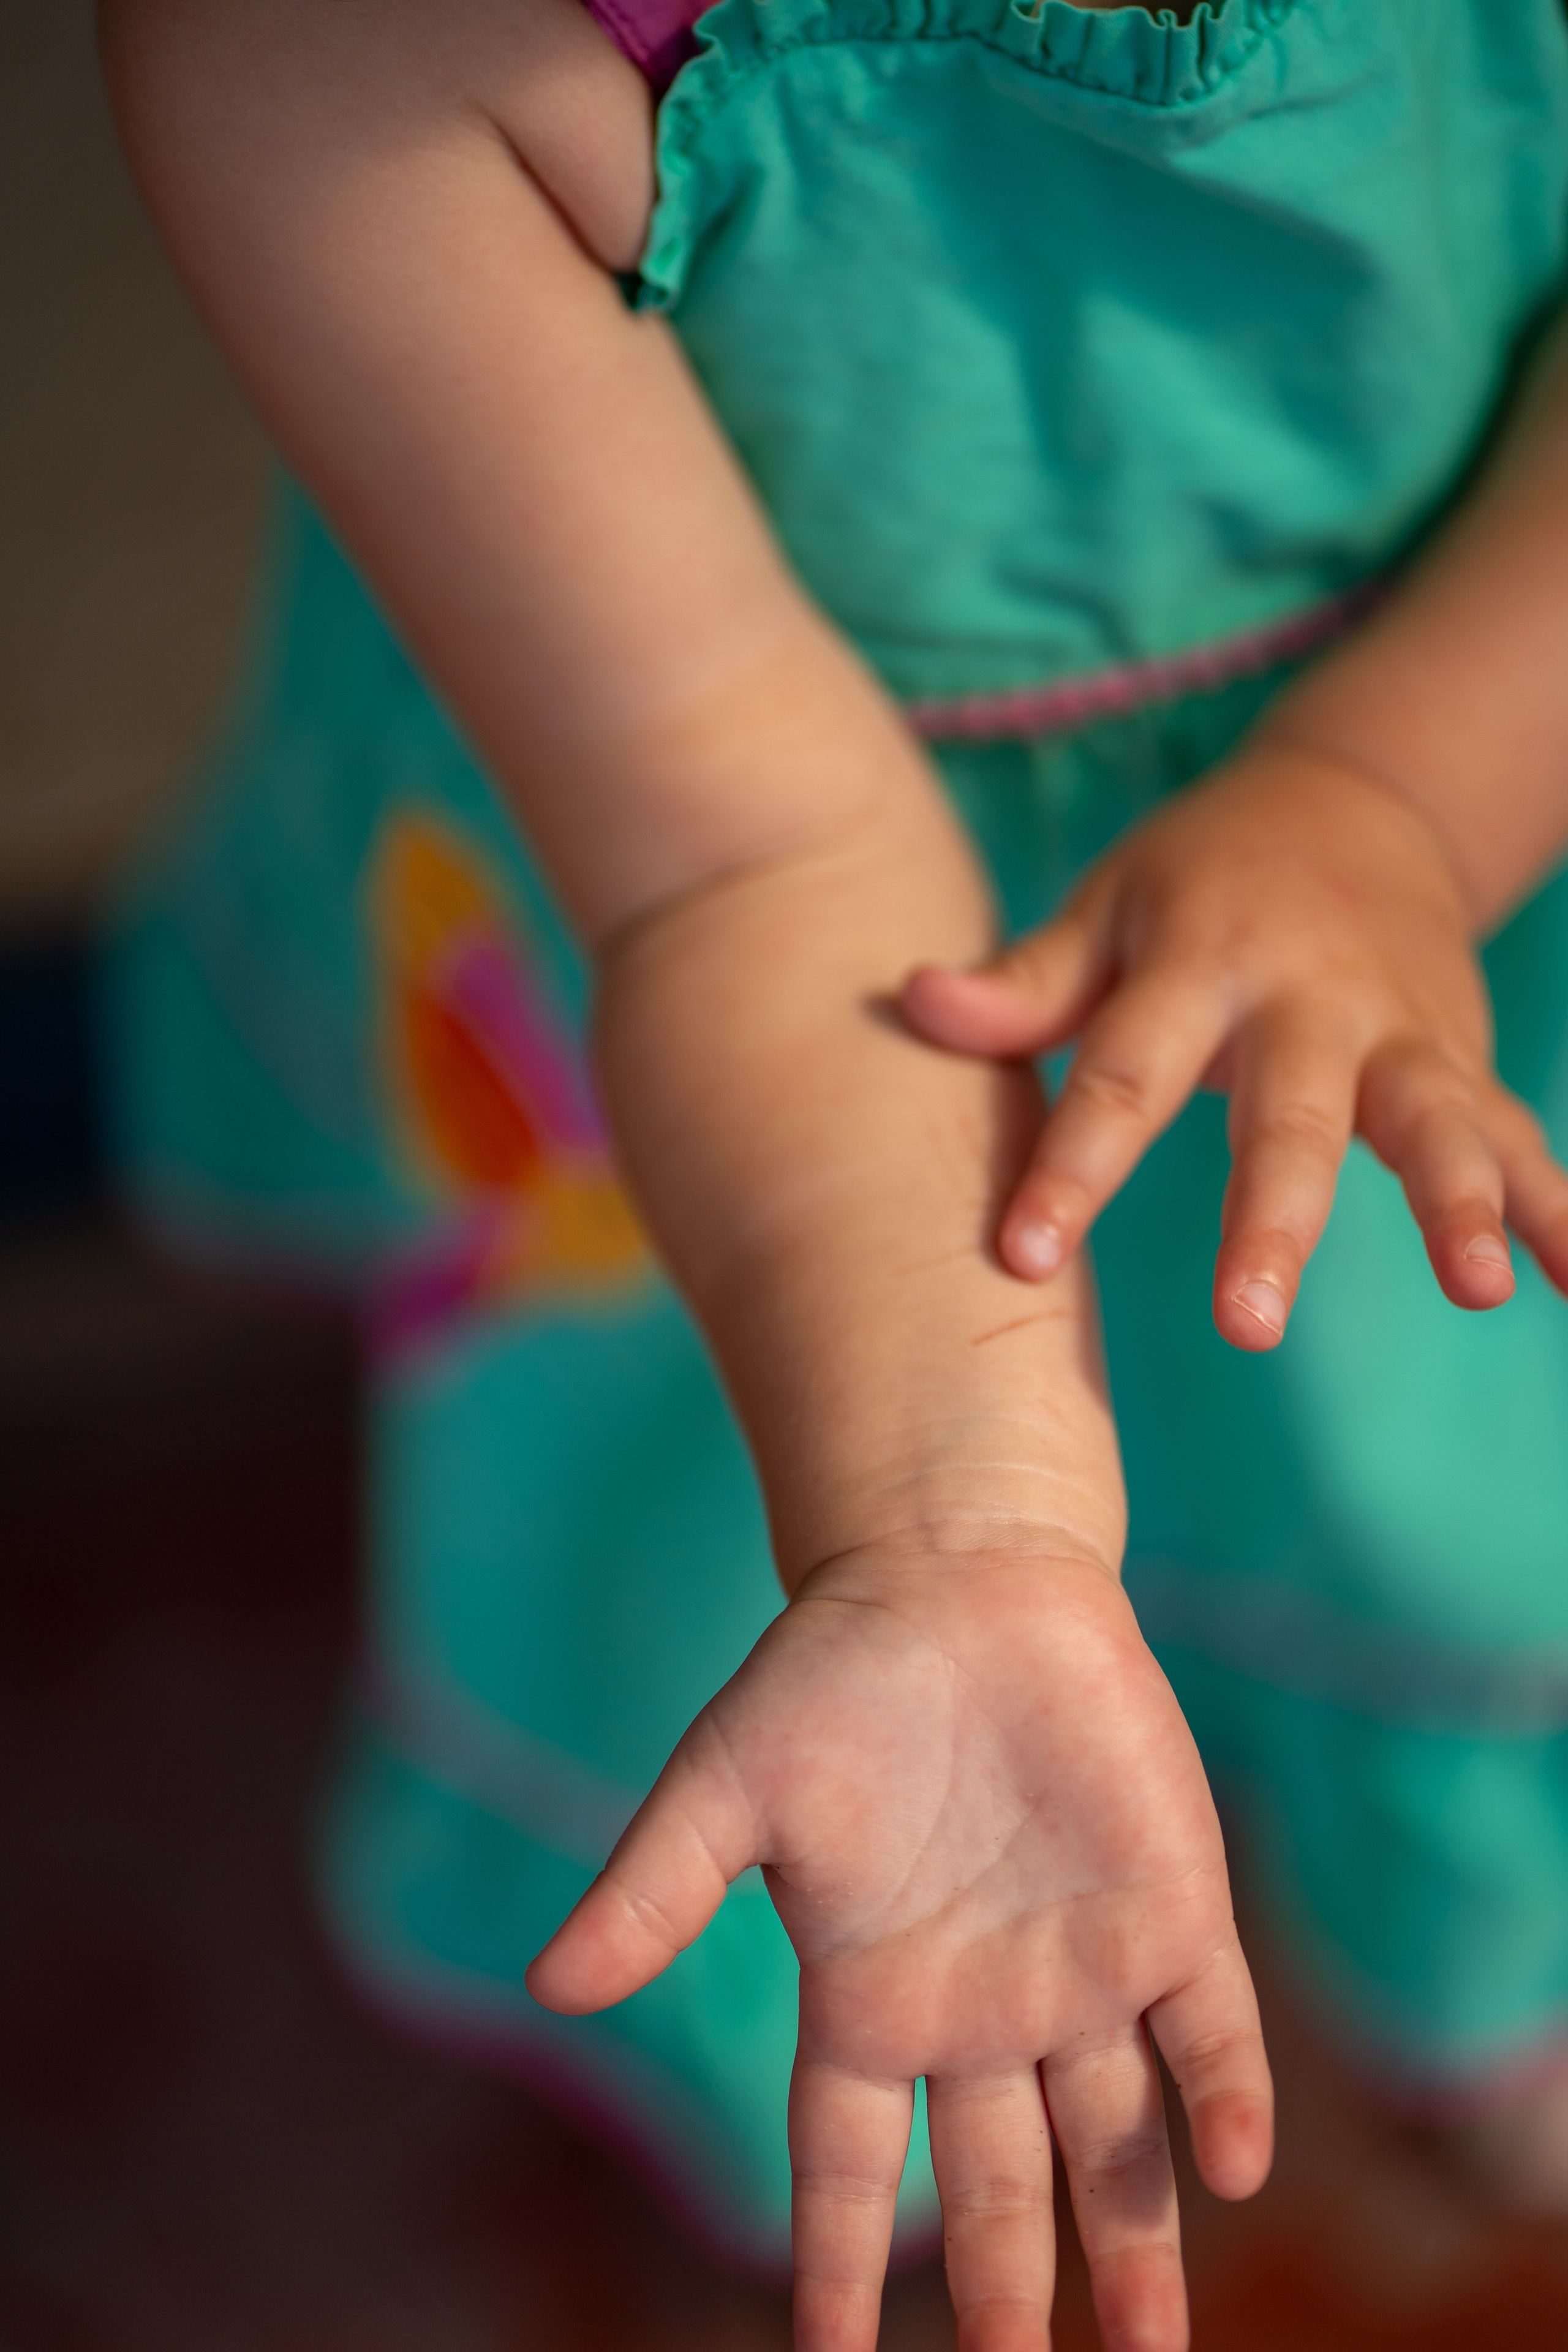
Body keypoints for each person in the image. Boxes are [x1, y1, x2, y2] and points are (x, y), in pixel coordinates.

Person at [97, 0, 1568, 2343]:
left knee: (1453, 1494)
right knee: (786, 1648)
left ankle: (1474, 1962)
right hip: (763, 996)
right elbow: (743, 847)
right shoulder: (337, 50)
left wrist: (1398, 796)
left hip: (1483, 779)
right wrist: (949, 1515)